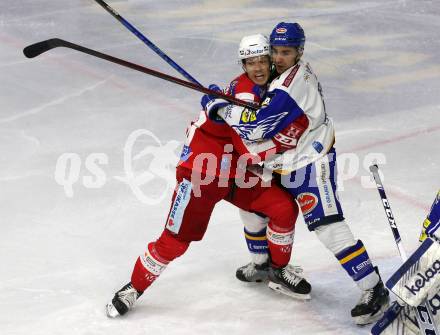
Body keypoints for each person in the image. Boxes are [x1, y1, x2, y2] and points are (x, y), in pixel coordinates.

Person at [105, 34, 311, 318]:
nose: (258, 67)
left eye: (262, 60)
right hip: (202, 175)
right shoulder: (245, 94)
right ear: (243, 64)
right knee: (174, 241)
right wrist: (218, 110)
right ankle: (133, 288)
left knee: (282, 208)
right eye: (250, 62)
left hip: (237, 172)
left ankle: (276, 271)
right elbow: (252, 147)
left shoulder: (269, 88)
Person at [202, 22, 390, 325]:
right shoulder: (282, 74)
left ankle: (373, 288)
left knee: (327, 226)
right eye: (274, 51)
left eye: (285, 52)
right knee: (253, 206)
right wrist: (227, 95)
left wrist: (218, 107)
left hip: (310, 163)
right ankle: (262, 264)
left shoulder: (290, 87)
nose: (277, 58)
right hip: (283, 160)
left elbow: (256, 127)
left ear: (299, 52)